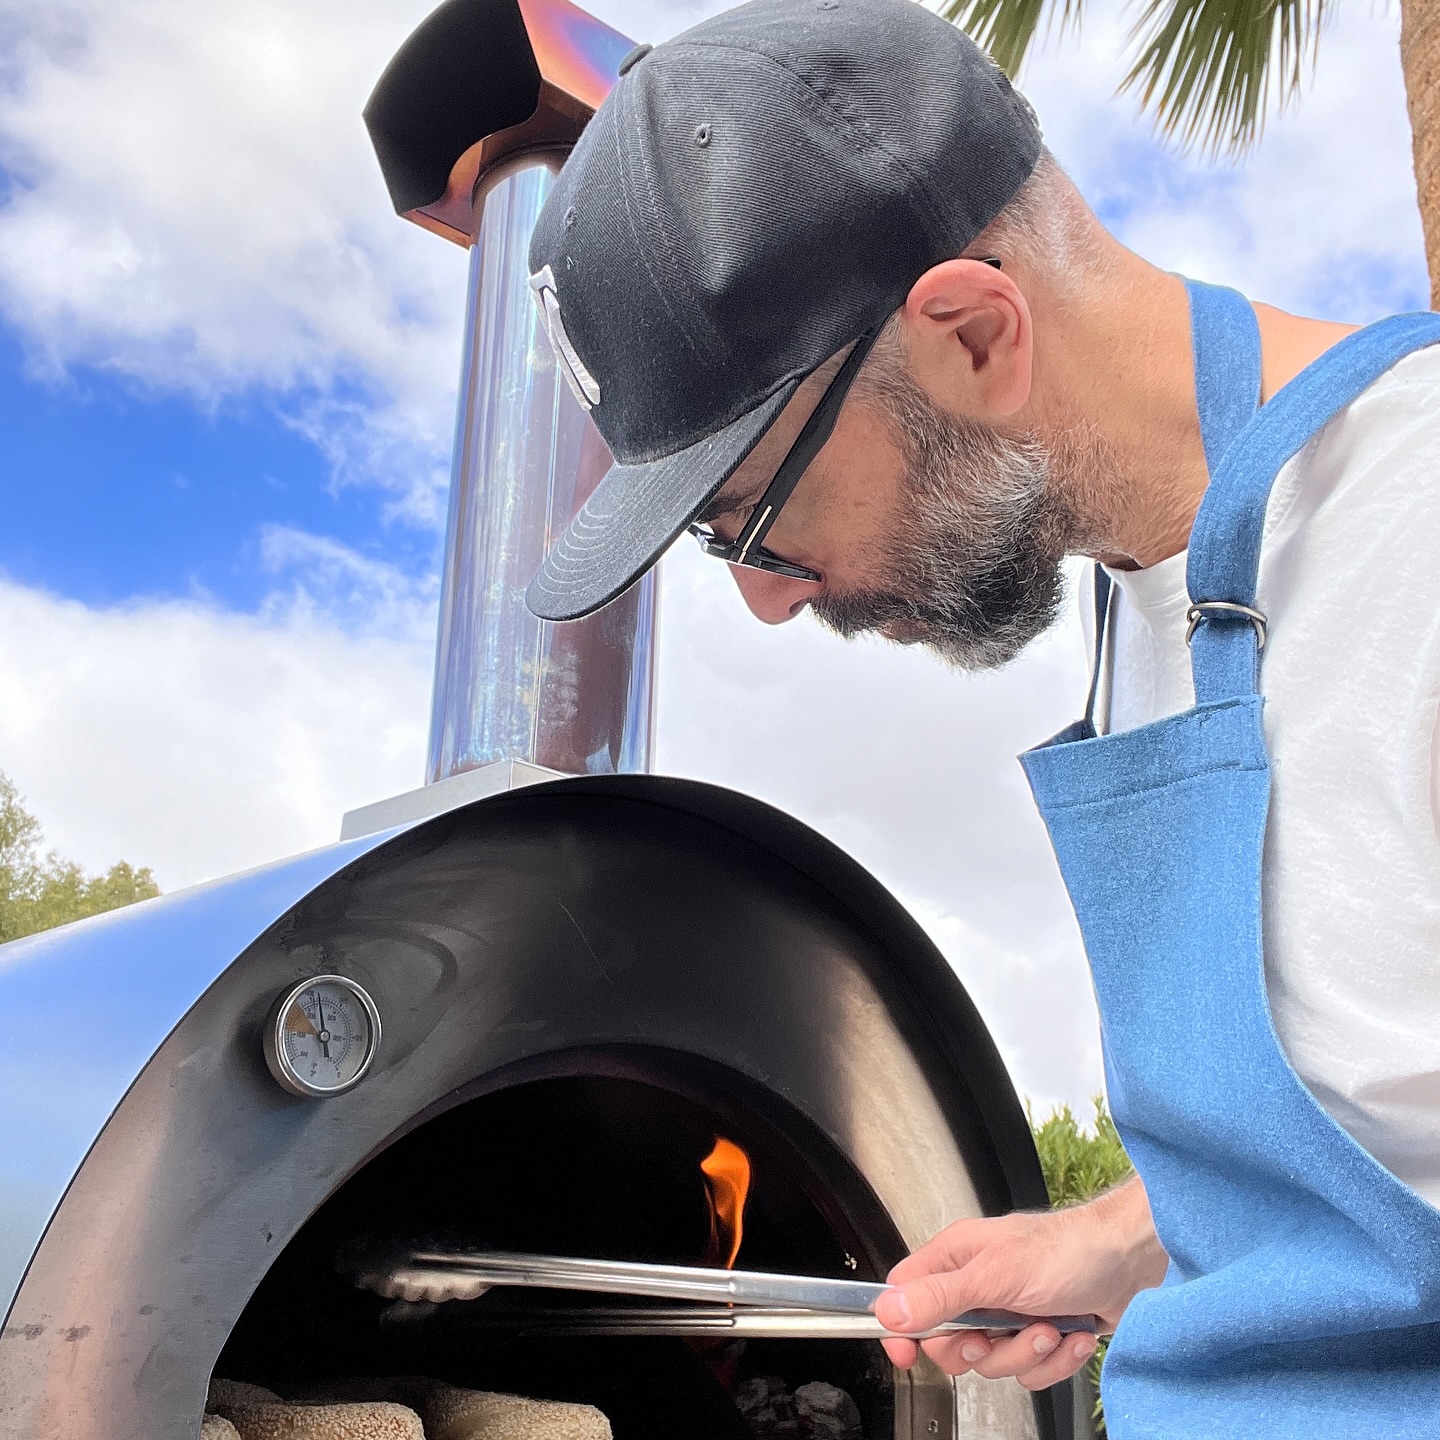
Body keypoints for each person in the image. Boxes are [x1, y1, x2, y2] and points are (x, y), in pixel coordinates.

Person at [521, 0, 1440, 1432]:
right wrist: (1116, 1242)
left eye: (746, 518)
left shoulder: (1420, 527)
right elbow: (1394, 1111)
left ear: (968, 331)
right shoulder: (1159, 596)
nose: (766, 601)